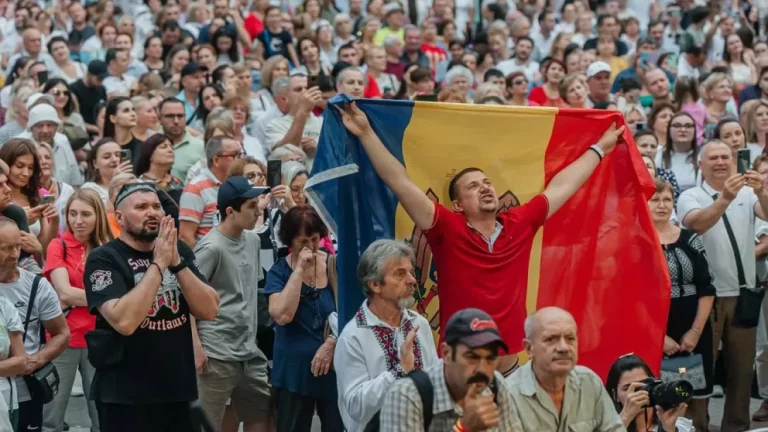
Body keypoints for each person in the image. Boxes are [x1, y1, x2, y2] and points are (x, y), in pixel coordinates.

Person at [336, 101, 624, 377]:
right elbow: (399, 181)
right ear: (458, 205)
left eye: (487, 183)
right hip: (460, 372)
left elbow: (563, 185)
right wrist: (366, 133)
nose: (485, 188)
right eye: (473, 187)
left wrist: (599, 148)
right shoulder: (446, 228)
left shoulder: (520, 223)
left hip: (511, 371)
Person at [83, 182, 219, 431]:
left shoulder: (177, 250)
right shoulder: (104, 258)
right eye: (142, 206)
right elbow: (124, 322)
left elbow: (209, 309)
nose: (153, 212)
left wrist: (176, 263)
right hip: (124, 396)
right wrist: (158, 265)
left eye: (157, 206)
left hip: (177, 390)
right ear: (120, 218)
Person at [677, 139, 768, 431]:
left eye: (725, 157)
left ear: (734, 161)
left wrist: (762, 191)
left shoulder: (747, 193)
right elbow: (697, 225)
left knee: (742, 372)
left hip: (743, 295)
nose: (720, 162)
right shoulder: (690, 195)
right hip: (705, 299)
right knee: (700, 370)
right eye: (712, 157)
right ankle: (696, 426)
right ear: (700, 165)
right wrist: (725, 199)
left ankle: (736, 426)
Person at [193, 176, 273, 431]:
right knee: (207, 423)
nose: (258, 209)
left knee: (261, 414)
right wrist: (196, 347)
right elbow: (186, 301)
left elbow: (250, 291)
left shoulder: (253, 240)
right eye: (251, 205)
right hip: (216, 352)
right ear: (230, 211)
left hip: (249, 351)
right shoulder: (210, 248)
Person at [334, 239, 438, 431]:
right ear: (375, 284)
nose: (412, 280)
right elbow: (356, 407)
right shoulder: (353, 336)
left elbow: (435, 385)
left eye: (410, 272)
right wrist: (399, 371)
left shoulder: (419, 324)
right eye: (400, 274)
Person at [265, 205, 343, 432]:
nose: (310, 246)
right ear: (290, 241)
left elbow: (353, 312)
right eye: (302, 241)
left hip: (333, 370)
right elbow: (282, 315)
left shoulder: (333, 265)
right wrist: (299, 270)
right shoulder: (280, 271)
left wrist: (332, 342)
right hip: (294, 374)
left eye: (314, 239)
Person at [41, 189, 112, 432]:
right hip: (64, 338)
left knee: (103, 417)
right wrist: (106, 299)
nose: (78, 220)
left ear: (98, 216)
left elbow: (120, 295)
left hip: (100, 339)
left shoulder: (110, 248)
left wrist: (107, 298)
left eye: (85, 214)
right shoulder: (57, 246)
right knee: (52, 417)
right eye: (72, 213)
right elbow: (64, 293)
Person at [648, 177, 715, 430]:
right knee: (658, 397)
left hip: (693, 328)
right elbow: (632, 297)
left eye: (667, 199)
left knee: (695, 398)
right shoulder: (636, 241)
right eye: (655, 199)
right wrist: (658, 337)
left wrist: (696, 331)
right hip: (654, 330)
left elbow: (707, 287)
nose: (662, 205)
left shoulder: (689, 238)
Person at [380, 308, 515, 430]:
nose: (482, 369)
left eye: (490, 359)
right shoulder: (407, 394)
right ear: (446, 354)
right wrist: (463, 428)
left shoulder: (496, 386)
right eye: (472, 357)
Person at [0, 218, 70, 432]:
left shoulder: (37, 286)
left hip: (25, 391)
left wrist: (38, 359)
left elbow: (62, 333)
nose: (13, 254)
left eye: (17, 246)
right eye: (5, 248)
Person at [506, 307, 624, 431]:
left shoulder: (589, 382)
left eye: (570, 338)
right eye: (551, 339)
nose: (563, 348)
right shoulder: (508, 395)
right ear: (529, 348)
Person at [179, 136, 243, 247]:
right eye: (234, 155)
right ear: (216, 160)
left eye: (240, 155)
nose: (240, 160)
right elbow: (186, 236)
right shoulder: (195, 188)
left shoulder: (239, 184)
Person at [0, 138, 59, 255]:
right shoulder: (2, 198)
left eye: (30, 167)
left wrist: (55, 221)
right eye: (20, 166)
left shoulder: (39, 195)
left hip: (33, 265)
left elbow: (44, 247)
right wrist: (21, 219)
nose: (26, 173)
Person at [605, 354, 689, 432]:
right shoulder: (603, 427)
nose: (638, 392)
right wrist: (625, 417)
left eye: (643, 384)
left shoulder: (679, 425)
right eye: (628, 388)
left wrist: (669, 429)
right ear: (615, 395)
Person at [133, 134, 185, 223]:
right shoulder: (140, 184)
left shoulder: (177, 181)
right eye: (164, 147)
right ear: (150, 155)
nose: (170, 150)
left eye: (172, 147)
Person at [82, 138, 133, 208]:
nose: (114, 160)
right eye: (107, 157)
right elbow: (103, 215)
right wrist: (115, 182)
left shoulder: (134, 183)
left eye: (118, 155)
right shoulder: (89, 189)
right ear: (95, 163)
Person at [69, 60, 108, 136]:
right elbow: (72, 118)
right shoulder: (74, 89)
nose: (101, 81)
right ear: (89, 74)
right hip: (81, 132)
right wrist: (96, 129)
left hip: (100, 130)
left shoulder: (101, 88)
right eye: (99, 78)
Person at [103, 96, 142, 166]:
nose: (133, 114)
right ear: (113, 118)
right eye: (126, 111)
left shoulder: (143, 147)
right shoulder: (102, 149)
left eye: (133, 109)